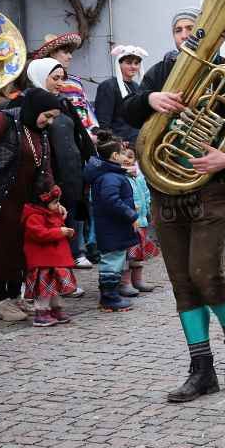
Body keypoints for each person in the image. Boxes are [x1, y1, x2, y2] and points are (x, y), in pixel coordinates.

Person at [121, 7, 225, 403]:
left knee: (204, 273)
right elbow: (127, 112)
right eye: (178, 30)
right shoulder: (159, 73)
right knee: (182, 282)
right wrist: (149, 97)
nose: (185, 35)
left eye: (191, 29)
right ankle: (201, 368)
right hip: (166, 188)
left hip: (211, 187)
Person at [0, 88, 64, 322]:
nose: (49, 122)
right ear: (34, 109)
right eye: (47, 116)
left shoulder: (39, 131)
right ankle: (0, 301)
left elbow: (44, 168)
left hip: (24, 201)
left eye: (53, 118)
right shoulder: (2, 121)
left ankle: (16, 296)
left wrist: (53, 197)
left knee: (19, 250)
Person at [25, 57, 95, 271]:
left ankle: (76, 253)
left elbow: (80, 134)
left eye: (62, 79)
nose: (60, 83)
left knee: (73, 210)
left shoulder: (64, 103)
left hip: (72, 168)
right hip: (50, 171)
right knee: (52, 218)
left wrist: (90, 158)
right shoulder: (28, 104)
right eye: (55, 78)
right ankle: (58, 266)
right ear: (40, 76)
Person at [84, 132, 139, 313]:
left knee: (114, 260)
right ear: (115, 156)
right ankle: (109, 297)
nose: (126, 156)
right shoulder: (110, 177)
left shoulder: (110, 174)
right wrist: (130, 214)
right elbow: (111, 200)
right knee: (112, 261)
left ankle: (110, 295)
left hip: (113, 227)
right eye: (123, 153)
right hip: (112, 227)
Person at [21, 183, 77, 327]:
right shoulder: (34, 217)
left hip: (55, 259)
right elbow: (40, 234)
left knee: (54, 287)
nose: (58, 205)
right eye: (55, 202)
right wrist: (60, 232)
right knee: (43, 289)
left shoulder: (52, 213)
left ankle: (55, 308)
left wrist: (66, 231)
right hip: (43, 260)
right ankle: (41, 312)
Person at [34, 33, 97, 132]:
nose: (70, 56)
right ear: (52, 53)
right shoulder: (41, 83)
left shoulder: (76, 82)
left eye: (70, 53)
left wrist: (94, 132)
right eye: (66, 52)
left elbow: (88, 111)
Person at [121, 143, 157, 293]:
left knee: (138, 254)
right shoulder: (121, 177)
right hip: (129, 222)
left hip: (141, 221)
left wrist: (148, 210)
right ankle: (125, 283)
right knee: (127, 255)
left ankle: (138, 281)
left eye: (131, 156)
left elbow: (146, 195)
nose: (128, 159)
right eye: (124, 156)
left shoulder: (139, 177)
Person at [94, 45, 145, 142]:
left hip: (137, 141)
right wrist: (113, 144)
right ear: (119, 64)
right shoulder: (108, 86)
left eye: (136, 63)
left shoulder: (137, 87)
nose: (133, 66)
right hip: (120, 144)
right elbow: (104, 123)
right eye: (129, 63)